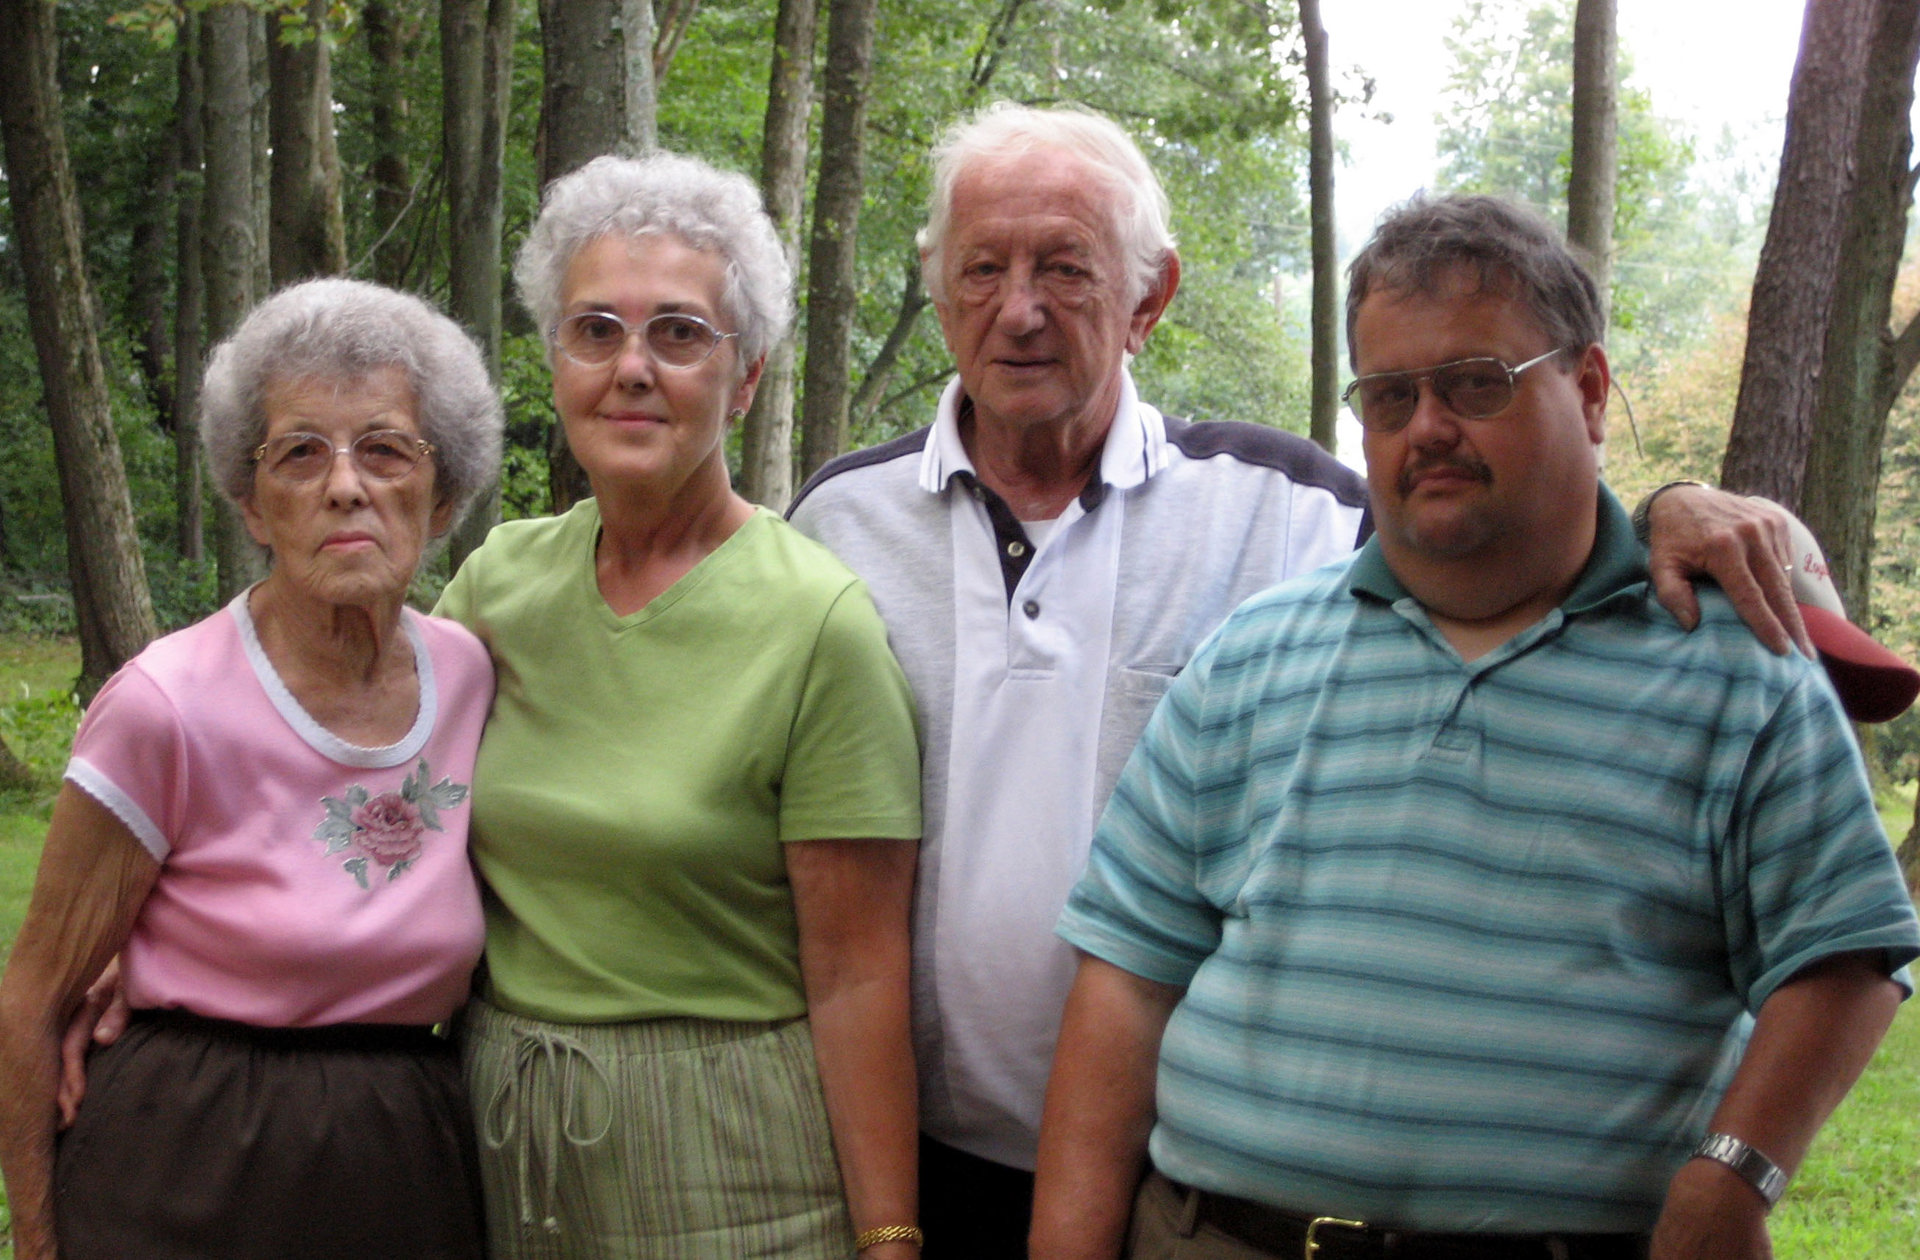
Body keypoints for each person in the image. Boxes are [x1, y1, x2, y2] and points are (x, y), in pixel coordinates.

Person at [786, 102, 1813, 1258]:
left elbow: (1500, 524)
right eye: (982, 268)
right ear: (937, 289)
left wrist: (1675, 510)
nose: (1018, 309)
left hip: (1170, 1174)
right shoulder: (837, 524)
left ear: (1150, 299)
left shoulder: (1290, 508)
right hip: (899, 1160)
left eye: (1065, 269)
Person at [1031, 193, 1920, 1260]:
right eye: (1391, 396)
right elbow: (1127, 982)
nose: (1428, 427)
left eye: (1473, 384)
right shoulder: (1250, 657)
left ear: (1588, 390)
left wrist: (1736, 1173)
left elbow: (1846, 952)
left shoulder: (1738, 666)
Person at [432, 151, 924, 1259]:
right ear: (555, 364)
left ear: (744, 378)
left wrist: (890, 1235)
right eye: (595, 330)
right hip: (506, 1140)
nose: (633, 368)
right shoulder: (493, 590)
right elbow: (373, 816)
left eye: (681, 334)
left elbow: (857, 977)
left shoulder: (819, 625)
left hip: (735, 1161)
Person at [0, 278, 504, 1260]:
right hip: (182, 1162)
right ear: (252, 501)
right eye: (300, 453)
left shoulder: (471, 677)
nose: (346, 485)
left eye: (387, 449)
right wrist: (38, 1238)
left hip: (406, 1167)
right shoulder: (165, 705)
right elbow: (34, 994)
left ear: (442, 497)